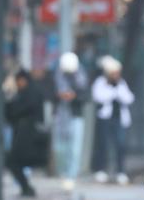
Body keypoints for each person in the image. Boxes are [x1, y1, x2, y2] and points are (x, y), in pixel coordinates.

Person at [92, 56, 134, 185]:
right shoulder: (100, 82)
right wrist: (112, 92)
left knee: (120, 145)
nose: (115, 76)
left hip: (119, 120)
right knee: (103, 145)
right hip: (105, 119)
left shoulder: (121, 84)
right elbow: (98, 97)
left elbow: (129, 98)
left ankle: (120, 172)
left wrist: (117, 91)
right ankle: (101, 170)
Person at [5, 69, 47, 197]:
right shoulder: (22, 93)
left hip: (29, 136)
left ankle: (26, 188)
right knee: (14, 162)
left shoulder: (31, 93)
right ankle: (26, 188)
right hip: (22, 134)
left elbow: (17, 110)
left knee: (13, 162)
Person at [53, 52, 88, 189]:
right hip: (60, 116)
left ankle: (71, 175)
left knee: (74, 148)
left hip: (75, 116)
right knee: (59, 148)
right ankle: (62, 172)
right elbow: (49, 93)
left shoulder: (81, 77)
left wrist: (74, 96)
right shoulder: (56, 77)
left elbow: (86, 95)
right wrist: (59, 95)